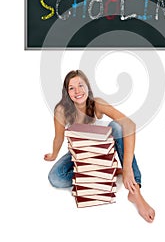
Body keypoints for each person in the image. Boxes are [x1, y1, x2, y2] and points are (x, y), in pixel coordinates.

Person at [44, 69, 155, 223]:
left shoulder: (97, 103)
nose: (77, 91)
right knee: (55, 178)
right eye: (71, 88)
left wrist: (128, 167)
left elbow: (130, 125)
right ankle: (106, 173)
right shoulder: (61, 110)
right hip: (81, 152)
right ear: (66, 92)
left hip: (103, 149)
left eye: (80, 85)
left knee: (117, 126)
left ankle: (135, 190)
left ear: (87, 87)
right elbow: (58, 137)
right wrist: (54, 154)